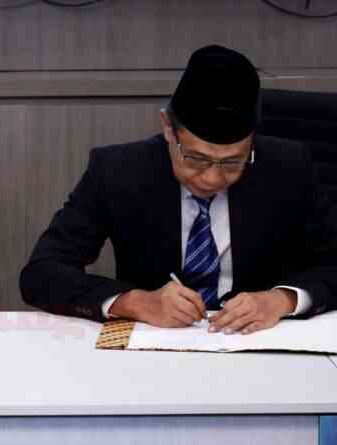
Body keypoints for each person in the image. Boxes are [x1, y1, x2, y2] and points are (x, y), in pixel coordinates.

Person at [20, 45, 337, 334]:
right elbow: (42, 273)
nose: (212, 178)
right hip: (155, 347)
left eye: (232, 162)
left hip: (258, 344)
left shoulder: (289, 167)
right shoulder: (118, 170)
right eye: (196, 158)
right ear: (168, 129)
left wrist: (283, 300)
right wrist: (135, 301)